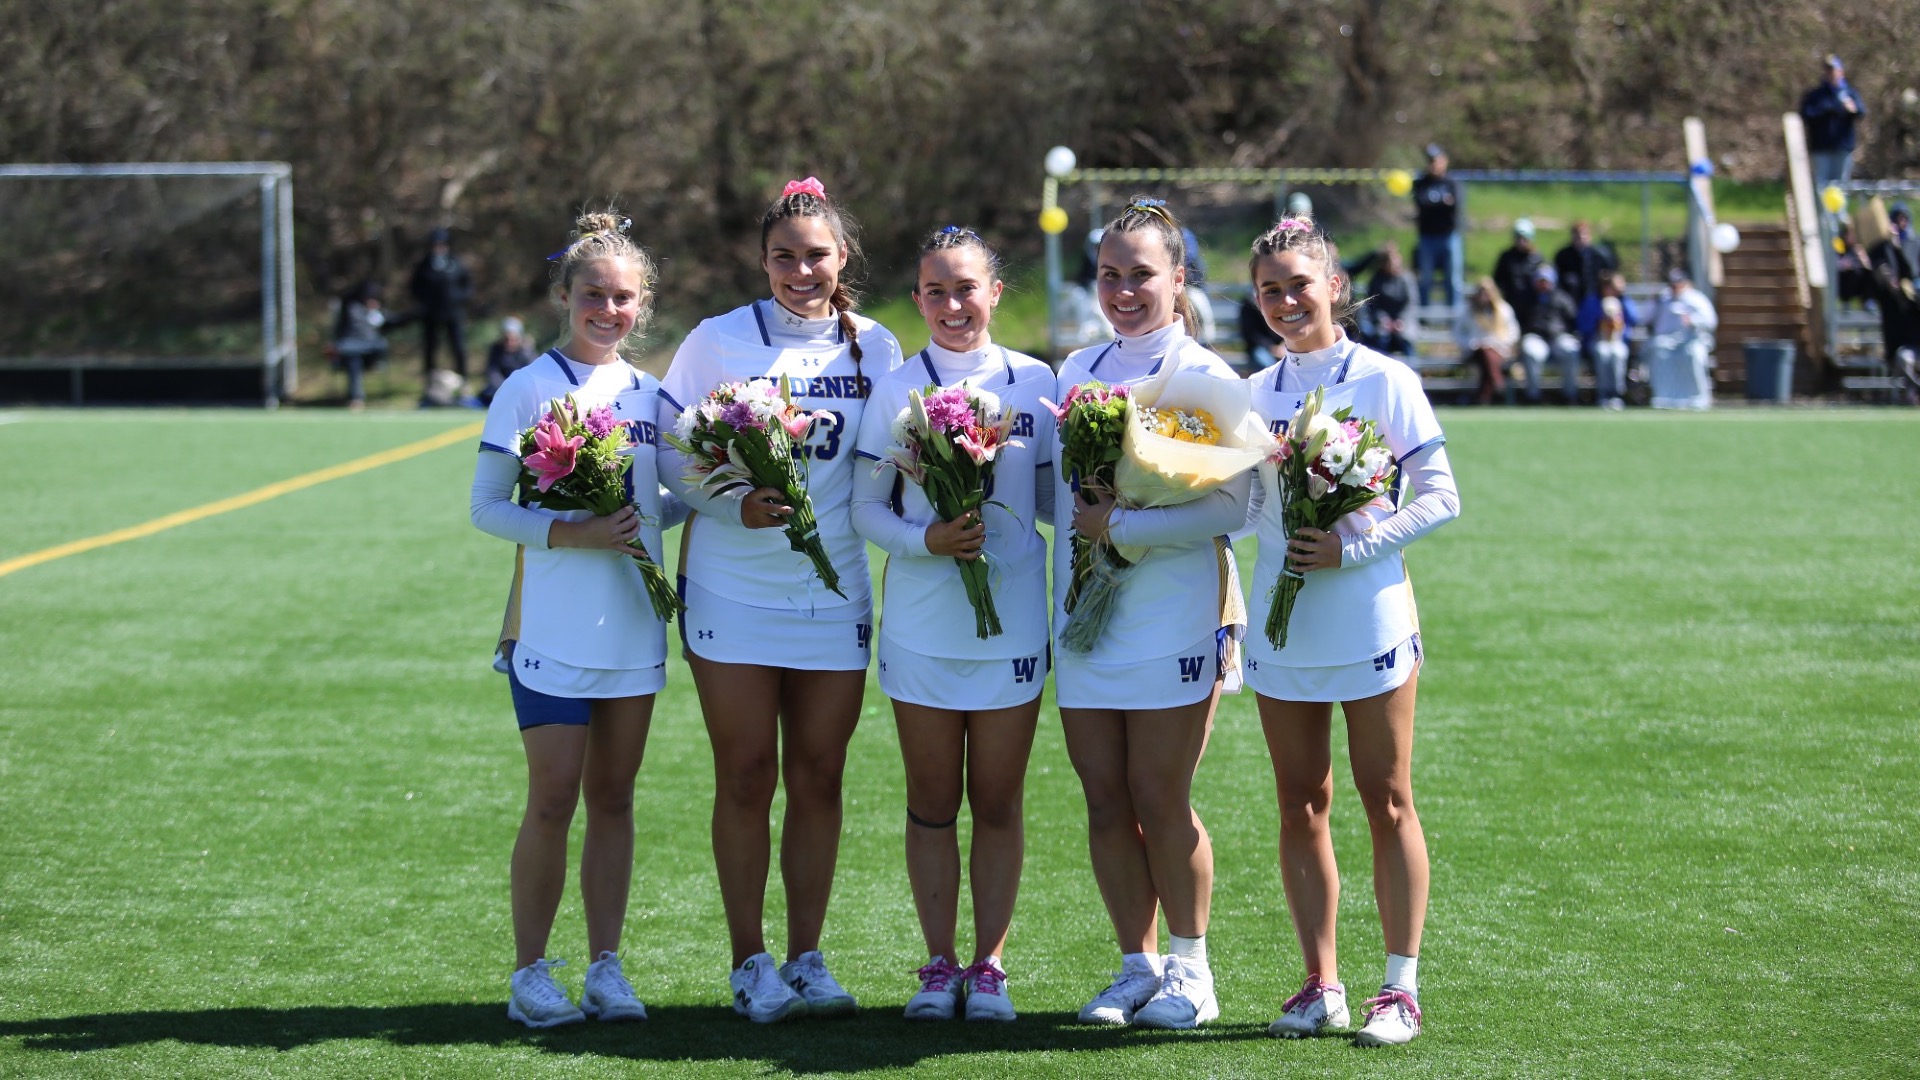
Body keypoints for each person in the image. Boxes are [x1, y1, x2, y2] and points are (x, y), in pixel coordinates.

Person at [658, 177, 904, 1023]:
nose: (802, 270)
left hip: (832, 593)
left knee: (820, 777)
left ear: (844, 259)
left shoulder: (877, 345)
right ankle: (747, 961)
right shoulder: (716, 340)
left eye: (818, 255)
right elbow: (666, 454)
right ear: (763, 260)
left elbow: (891, 467)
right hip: (730, 589)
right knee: (746, 776)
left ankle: (808, 958)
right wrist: (731, 502)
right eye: (785, 257)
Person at [1242, 210, 1460, 1047]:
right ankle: (1319, 981)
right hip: (1280, 624)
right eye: (1271, 290)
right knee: (1300, 804)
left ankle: (1399, 987)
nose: (1287, 301)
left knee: (1389, 799)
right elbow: (1246, 510)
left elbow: (1441, 495)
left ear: (1335, 286)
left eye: (1301, 284)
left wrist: (1354, 542)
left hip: (1368, 611)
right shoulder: (1252, 393)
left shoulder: (1385, 378)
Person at [469, 211, 680, 1029]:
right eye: (594, 294)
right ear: (564, 295)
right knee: (553, 798)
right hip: (551, 630)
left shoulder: (651, 395)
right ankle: (530, 974)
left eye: (624, 298)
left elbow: (664, 497)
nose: (609, 309)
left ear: (642, 306)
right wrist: (575, 532)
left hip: (633, 623)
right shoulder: (526, 387)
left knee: (616, 799)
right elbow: (488, 509)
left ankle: (605, 966)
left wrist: (723, 490)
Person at [849, 226, 1055, 1023]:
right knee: (932, 803)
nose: (953, 304)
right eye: (936, 291)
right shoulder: (895, 387)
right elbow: (868, 507)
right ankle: (938, 967)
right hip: (922, 628)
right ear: (918, 301)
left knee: (999, 804)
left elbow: (1050, 500)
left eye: (966, 287)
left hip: (1011, 630)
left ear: (995, 292)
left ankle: (990, 966)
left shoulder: (1036, 381)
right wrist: (927, 541)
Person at [1055, 198, 1251, 1031]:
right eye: (1110, 274)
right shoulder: (1072, 370)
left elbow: (1233, 506)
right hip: (1087, 613)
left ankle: (1192, 971)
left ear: (1179, 279)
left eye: (1142, 274)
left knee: (1160, 795)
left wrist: (1125, 525)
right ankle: (1136, 967)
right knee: (1104, 798)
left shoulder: (1208, 377)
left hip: (1174, 610)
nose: (1125, 289)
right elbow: (1058, 499)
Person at [412, 226, 475, 397]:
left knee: (458, 347)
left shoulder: (456, 263)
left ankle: (464, 381)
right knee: (430, 348)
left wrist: (457, 298)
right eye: (435, 244)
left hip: (453, 313)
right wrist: (425, 302)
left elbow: (467, 286)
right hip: (431, 314)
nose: (438, 247)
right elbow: (415, 287)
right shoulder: (424, 265)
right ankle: (429, 382)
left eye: (441, 244)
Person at [1647, 269, 1719, 409]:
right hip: (1668, 340)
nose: (1675, 288)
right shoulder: (1663, 299)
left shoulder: (1696, 299)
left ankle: (1698, 397)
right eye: (1673, 285)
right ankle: (1665, 396)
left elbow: (1711, 321)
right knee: (1658, 348)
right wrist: (1653, 302)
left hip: (1692, 339)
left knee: (1693, 353)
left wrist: (1692, 321)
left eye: (1678, 284)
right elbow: (1645, 318)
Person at [1801, 55, 1866, 196]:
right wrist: (1827, 109)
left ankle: (1839, 217)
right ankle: (1823, 218)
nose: (1831, 74)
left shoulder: (1850, 93)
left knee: (1841, 184)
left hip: (1843, 147)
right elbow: (1806, 114)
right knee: (1822, 184)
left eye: (1834, 70)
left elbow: (1861, 112)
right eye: (1828, 71)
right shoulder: (1816, 95)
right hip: (1821, 147)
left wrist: (1852, 109)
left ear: (1841, 72)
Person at [1517, 265, 1582, 404]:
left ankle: (1569, 395)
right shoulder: (1526, 298)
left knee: (1571, 350)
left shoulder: (1562, 298)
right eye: (1541, 281)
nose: (1544, 284)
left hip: (1558, 336)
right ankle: (1533, 396)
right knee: (1531, 352)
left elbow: (1572, 319)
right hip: (1536, 336)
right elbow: (1520, 321)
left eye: (1546, 281)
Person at [1577, 273, 1640, 410]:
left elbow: (1634, 318)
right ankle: (1603, 393)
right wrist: (1601, 320)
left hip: (1618, 341)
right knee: (1603, 353)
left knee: (1617, 354)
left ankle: (1616, 393)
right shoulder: (1593, 301)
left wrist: (1619, 319)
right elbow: (1584, 325)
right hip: (1598, 339)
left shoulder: (1623, 300)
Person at [1410, 144, 1462, 307]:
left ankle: (1454, 319)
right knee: (1425, 278)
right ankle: (1424, 317)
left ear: (1444, 161)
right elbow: (1421, 203)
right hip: (1427, 238)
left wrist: (1433, 203)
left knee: (1453, 279)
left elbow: (1454, 205)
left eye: (1436, 160)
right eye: (1430, 161)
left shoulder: (1451, 182)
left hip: (1449, 237)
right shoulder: (1421, 183)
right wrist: (1442, 202)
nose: (1433, 164)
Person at [1454, 277, 1519, 405]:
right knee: (1485, 353)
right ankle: (1498, 382)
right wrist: (1471, 343)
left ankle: (1483, 397)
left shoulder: (1504, 309)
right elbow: (1457, 332)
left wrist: (1497, 343)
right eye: (1481, 291)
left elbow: (1513, 332)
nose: (1485, 295)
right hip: (1475, 349)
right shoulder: (1468, 310)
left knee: (1488, 355)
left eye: (1487, 291)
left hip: (1499, 349)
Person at [331, 280, 388, 411]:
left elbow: (390, 323)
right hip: (350, 352)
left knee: (378, 348)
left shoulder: (377, 312)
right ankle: (356, 397)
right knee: (354, 361)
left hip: (372, 352)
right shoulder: (350, 308)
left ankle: (357, 396)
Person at [1360, 243, 1417, 358]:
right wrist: (1383, 319)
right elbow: (1373, 303)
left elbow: (1411, 303)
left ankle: (1414, 369)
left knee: (1406, 341)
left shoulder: (1406, 278)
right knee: (1380, 339)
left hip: (1403, 321)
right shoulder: (1376, 280)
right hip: (1382, 322)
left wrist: (1401, 320)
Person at [1552, 221, 1617, 306]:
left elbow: (1610, 275)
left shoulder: (1600, 256)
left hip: (1595, 299)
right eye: (1577, 236)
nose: (1581, 238)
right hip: (1571, 299)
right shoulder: (1563, 256)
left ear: (1590, 236)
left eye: (1584, 235)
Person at [1491, 219, 1544, 317]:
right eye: (1518, 238)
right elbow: (1498, 281)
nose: (1521, 242)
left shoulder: (1537, 259)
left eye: (1525, 238)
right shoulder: (1506, 257)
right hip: (1511, 303)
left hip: (1532, 307)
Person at [482, 316, 538, 407]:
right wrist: (504, 388)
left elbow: (532, 375)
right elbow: (492, 372)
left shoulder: (527, 352)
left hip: (522, 389)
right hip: (501, 388)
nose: (509, 343)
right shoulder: (496, 350)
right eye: (506, 339)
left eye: (513, 339)